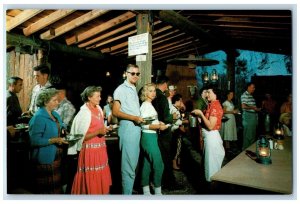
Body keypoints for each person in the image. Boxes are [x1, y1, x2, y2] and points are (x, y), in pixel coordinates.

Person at [68, 86, 112, 194]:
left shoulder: (99, 109)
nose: (100, 98)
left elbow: (99, 127)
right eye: (97, 96)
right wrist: (98, 132)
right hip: (89, 151)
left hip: (100, 149)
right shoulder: (84, 113)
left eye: (100, 96)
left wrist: (106, 129)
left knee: (100, 174)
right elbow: (80, 137)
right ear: (89, 97)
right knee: (90, 176)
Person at [112, 64, 144, 194]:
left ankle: (128, 191)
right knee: (128, 167)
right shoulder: (121, 89)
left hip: (135, 129)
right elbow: (115, 112)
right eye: (132, 73)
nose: (135, 76)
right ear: (126, 73)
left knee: (132, 165)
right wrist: (134, 118)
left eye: (137, 74)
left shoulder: (132, 88)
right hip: (128, 129)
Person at [29, 88, 68, 194]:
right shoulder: (38, 117)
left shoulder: (55, 114)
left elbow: (61, 125)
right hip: (45, 160)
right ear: (46, 102)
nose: (58, 102)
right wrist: (53, 140)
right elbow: (34, 140)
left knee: (56, 189)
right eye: (54, 100)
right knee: (47, 191)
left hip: (57, 157)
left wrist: (64, 130)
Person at [139, 83, 169, 195]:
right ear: (145, 93)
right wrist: (159, 126)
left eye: (154, 91)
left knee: (147, 165)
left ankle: (146, 191)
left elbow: (149, 121)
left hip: (150, 136)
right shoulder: (146, 106)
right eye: (150, 91)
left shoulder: (148, 105)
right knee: (159, 164)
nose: (153, 93)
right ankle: (158, 192)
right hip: (148, 137)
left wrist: (158, 122)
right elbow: (144, 125)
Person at [191, 85, 225, 182]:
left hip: (212, 137)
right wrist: (200, 118)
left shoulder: (215, 106)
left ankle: (212, 190)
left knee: (211, 167)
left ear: (215, 94)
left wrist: (201, 114)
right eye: (206, 92)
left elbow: (210, 126)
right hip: (209, 137)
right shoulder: (211, 104)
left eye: (209, 92)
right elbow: (207, 122)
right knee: (208, 164)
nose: (207, 94)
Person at [152, 76, 179, 190]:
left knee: (161, 158)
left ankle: (161, 181)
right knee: (166, 158)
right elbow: (165, 117)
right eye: (167, 85)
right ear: (164, 84)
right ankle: (169, 183)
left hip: (156, 130)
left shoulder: (153, 96)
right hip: (164, 131)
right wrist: (172, 116)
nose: (167, 87)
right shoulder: (162, 97)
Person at [170, 93, 189, 170]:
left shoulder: (174, 108)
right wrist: (184, 122)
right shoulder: (174, 110)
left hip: (174, 131)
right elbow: (175, 121)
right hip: (175, 131)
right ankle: (174, 164)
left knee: (177, 147)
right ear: (177, 101)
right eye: (180, 101)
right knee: (176, 147)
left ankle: (177, 162)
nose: (181, 103)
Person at [241, 82, 261, 150]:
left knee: (252, 135)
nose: (254, 89)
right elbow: (243, 106)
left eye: (254, 87)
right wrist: (253, 108)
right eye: (253, 87)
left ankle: (251, 150)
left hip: (253, 117)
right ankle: (245, 150)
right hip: (248, 117)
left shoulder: (251, 95)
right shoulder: (244, 95)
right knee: (248, 136)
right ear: (248, 87)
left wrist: (256, 109)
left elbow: (251, 106)